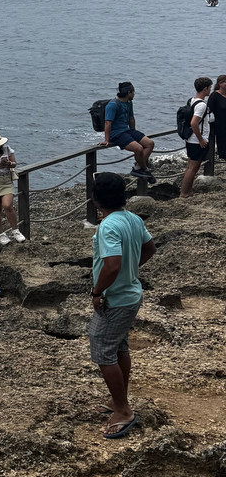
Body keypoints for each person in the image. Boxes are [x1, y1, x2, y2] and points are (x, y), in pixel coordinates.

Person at [88, 172, 155, 439]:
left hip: (114, 300)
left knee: (102, 350)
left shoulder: (107, 226)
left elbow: (112, 264)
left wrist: (97, 291)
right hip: (131, 294)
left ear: (95, 200)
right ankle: (119, 401)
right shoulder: (133, 219)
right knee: (119, 347)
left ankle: (124, 411)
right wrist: (131, 270)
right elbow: (149, 249)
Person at [100, 82, 155, 182]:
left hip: (127, 130)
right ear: (129, 93)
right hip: (116, 134)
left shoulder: (129, 103)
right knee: (138, 148)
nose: (134, 94)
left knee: (150, 143)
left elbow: (131, 118)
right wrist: (106, 140)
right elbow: (108, 122)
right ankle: (145, 170)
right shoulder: (112, 105)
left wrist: (134, 132)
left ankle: (138, 167)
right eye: (133, 92)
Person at [180, 77, 214, 199]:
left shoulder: (192, 100)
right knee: (193, 168)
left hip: (190, 139)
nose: (210, 90)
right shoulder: (202, 105)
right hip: (196, 141)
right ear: (205, 88)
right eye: (210, 87)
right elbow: (194, 123)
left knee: (190, 167)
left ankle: (188, 191)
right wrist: (201, 139)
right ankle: (184, 193)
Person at [206, 74, 226, 160]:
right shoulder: (214, 95)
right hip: (222, 127)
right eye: (224, 82)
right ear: (219, 84)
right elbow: (208, 110)